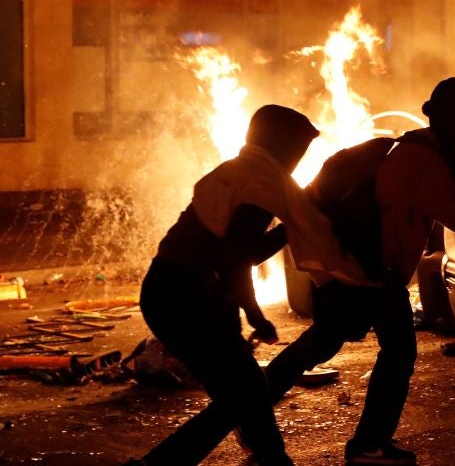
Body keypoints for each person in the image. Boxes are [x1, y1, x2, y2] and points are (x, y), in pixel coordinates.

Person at [263, 76, 455, 466]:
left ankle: (252, 411)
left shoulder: (422, 147)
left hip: (359, 269)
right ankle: (365, 445)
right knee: (395, 352)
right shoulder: (423, 161)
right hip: (368, 275)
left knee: (324, 344)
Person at [128, 104, 359, 466]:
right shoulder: (262, 179)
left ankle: (271, 457)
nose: (299, 159)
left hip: (178, 291)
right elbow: (238, 256)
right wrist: (255, 314)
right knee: (242, 396)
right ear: (281, 145)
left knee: (245, 387)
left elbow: (236, 251)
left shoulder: (239, 169)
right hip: (188, 298)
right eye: (299, 149)